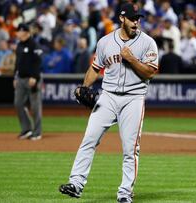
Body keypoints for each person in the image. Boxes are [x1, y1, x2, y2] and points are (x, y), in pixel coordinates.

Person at [59, 3, 159, 203]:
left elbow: (150, 72)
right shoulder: (105, 42)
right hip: (108, 96)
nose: (136, 22)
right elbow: (95, 68)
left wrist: (131, 59)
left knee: (131, 149)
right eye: (132, 18)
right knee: (89, 139)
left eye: (138, 19)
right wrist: (84, 87)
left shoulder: (148, 42)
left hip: (134, 98)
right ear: (122, 18)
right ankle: (76, 183)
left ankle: (125, 194)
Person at [14, 23, 43, 140]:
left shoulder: (34, 44)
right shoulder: (19, 45)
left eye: (19, 31)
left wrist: (35, 77)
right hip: (20, 78)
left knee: (35, 106)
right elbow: (18, 62)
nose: (17, 33)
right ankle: (26, 129)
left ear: (25, 32)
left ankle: (37, 132)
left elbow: (38, 62)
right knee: (18, 103)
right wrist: (15, 77)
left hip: (32, 79)